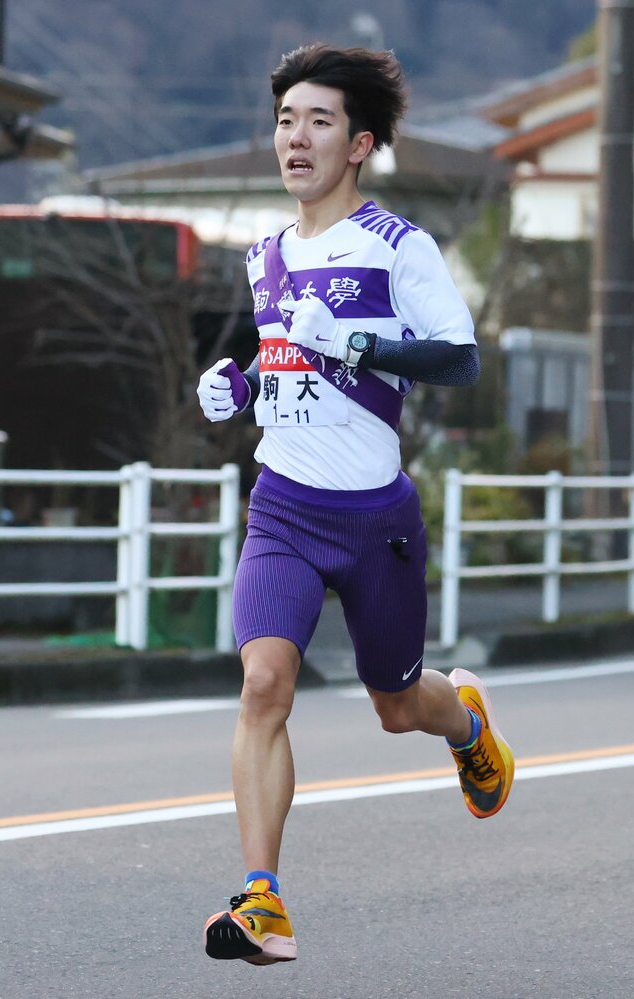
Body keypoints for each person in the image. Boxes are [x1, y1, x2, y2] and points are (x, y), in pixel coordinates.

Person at [195, 43, 514, 967]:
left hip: (376, 519)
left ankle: (467, 721)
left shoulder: (398, 246)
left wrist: (367, 344)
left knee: (397, 705)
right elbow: (289, 354)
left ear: (360, 144)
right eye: (286, 120)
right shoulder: (266, 257)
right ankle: (264, 901)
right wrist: (240, 385)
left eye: (319, 122)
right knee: (263, 683)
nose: (296, 139)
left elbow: (458, 357)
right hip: (285, 505)